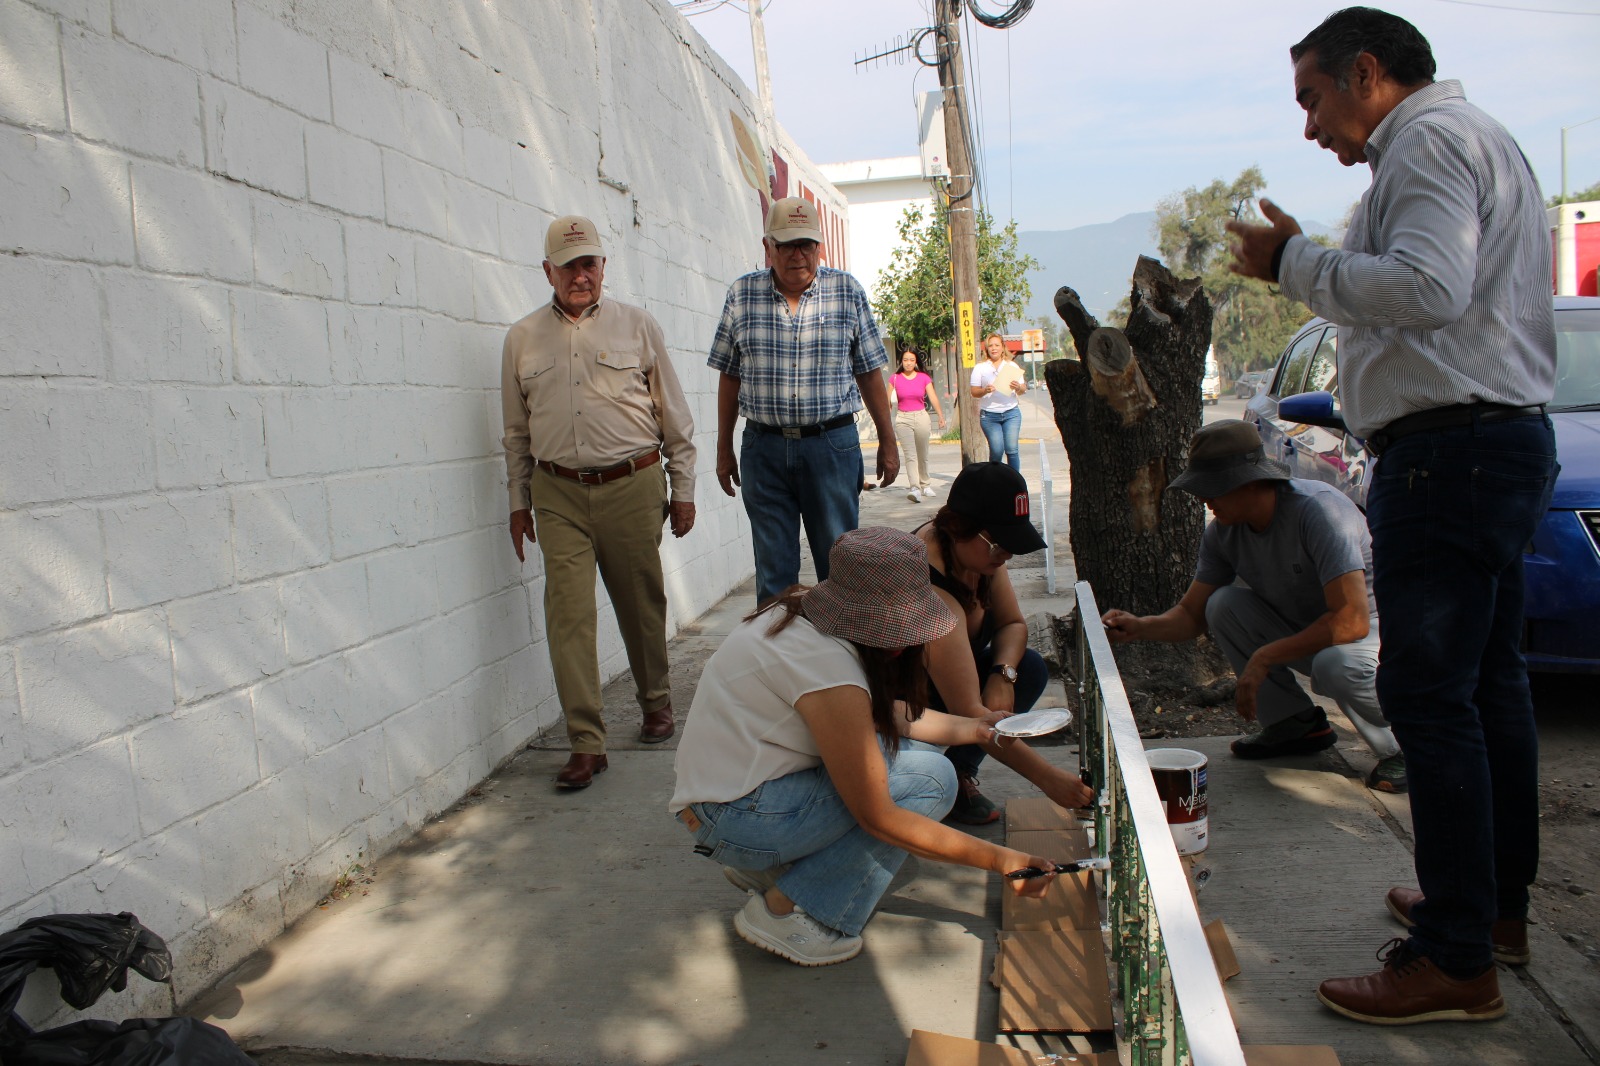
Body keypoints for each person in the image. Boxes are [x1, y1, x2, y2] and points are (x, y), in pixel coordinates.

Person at [1227, 7, 1557, 1025]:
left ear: (1365, 72)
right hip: (1481, 445)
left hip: (1449, 456)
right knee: (1484, 687)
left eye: (1313, 98)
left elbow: (1423, 287)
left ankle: (1456, 956)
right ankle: (1487, 909)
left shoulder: (1427, 144)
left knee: (1430, 698)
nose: (1310, 127)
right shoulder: (1460, 143)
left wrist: (1293, 265)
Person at [669, 527, 1093, 966]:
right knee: (930, 781)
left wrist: (976, 729)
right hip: (737, 818)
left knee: (924, 762)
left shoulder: (800, 616)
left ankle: (776, 868)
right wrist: (1005, 862)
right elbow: (879, 817)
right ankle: (792, 910)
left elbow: (883, 715)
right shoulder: (829, 671)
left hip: (733, 800)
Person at [1099, 421, 1404, 791]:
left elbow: (1351, 622)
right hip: (1315, 633)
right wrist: (1141, 626)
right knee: (1222, 604)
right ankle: (1295, 724)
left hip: (1381, 639)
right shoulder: (1224, 532)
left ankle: (1413, 744)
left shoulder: (1319, 512)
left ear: (1253, 482)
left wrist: (1265, 656)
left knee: (1335, 664)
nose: (1204, 500)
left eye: (1213, 489)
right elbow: (1192, 615)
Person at [501, 214, 697, 790]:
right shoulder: (521, 338)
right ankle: (587, 741)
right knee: (568, 616)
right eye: (568, 266)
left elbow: (675, 418)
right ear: (548, 271)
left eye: (589, 263)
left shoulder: (638, 326)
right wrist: (519, 503)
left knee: (640, 602)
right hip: (556, 490)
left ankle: (656, 702)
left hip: (632, 485)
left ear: (603, 267)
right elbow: (515, 433)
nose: (580, 276)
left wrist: (681, 491)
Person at [709, 197, 900, 604]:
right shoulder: (742, 295)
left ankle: (846, 662)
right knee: (775, 574)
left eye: (807, 245)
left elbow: (869, 371)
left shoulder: (846, 291)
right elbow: (730, 375)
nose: (798, 254)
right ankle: (780, 664)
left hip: (831, 447)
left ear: (819, 247)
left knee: (841, 567)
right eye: (787, 245)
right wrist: (723, 447)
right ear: (768, 247)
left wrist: (889, 439)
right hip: (764, 449)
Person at [916, 463, 1052, 825]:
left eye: (1012, 544)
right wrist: (1051, 780)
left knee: (1030, 668)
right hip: (906, 702)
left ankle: (956, 772)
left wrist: (1002, 674)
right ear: (960, 528)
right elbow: (970, 714)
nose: (1006, 554)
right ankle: (927, 777)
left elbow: (1012, 624)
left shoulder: (979, 554)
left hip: (957, 688)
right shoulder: (929, 584)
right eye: (1000, 544)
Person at [887, 347, 946, 502]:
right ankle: (914, 487)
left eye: (911, 360)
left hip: (921, 416)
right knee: (910, 455)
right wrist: (885, 421)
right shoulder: (894, 378)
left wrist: (940, 416)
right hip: (903, 418)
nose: (908, 363)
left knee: (922, 453)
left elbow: (933, 397)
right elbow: (887, 402)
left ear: (916, 362)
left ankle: (925, 484)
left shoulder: (923, 378)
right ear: (901, 361)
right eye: (905, 360)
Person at [970, 334, 1026, 471]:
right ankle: (995, 481)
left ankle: (1014, 483)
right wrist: (985, 390)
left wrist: (1018, 387)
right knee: (996, 450)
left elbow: (1022, 389)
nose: (994, 348)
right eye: (991, 346)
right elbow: (974, 392)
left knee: (1012, 449)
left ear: (1003, 347)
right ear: (987, 349)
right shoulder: (980, 367)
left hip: (1011, 413)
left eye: (997, 345)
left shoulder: (1011, 365)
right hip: (989, 416)